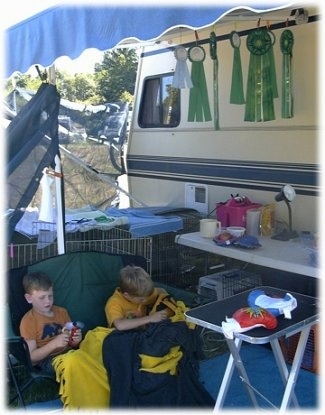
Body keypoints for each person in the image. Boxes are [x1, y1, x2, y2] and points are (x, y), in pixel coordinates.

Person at [20, 271, 82, 376]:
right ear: (29, 298)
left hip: (70, 352)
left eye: (50, 296)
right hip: (48, 360)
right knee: (74, 361)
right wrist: (53, 344)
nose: (48, 301)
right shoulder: (28, 321)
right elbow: (32, 357)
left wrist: (76, 340)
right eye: (42, 297)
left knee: (94, 341)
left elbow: (72, 342)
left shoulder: (62, 312)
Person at [105, 265, 175, 331]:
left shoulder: (143, 294)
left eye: (147, 297)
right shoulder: (114, 303)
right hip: (124, 336)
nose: (145, 300)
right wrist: (150, 318)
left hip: (144, 332)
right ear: (126, 295)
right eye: (141, 299)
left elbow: (162, 291)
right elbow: (119, 325)